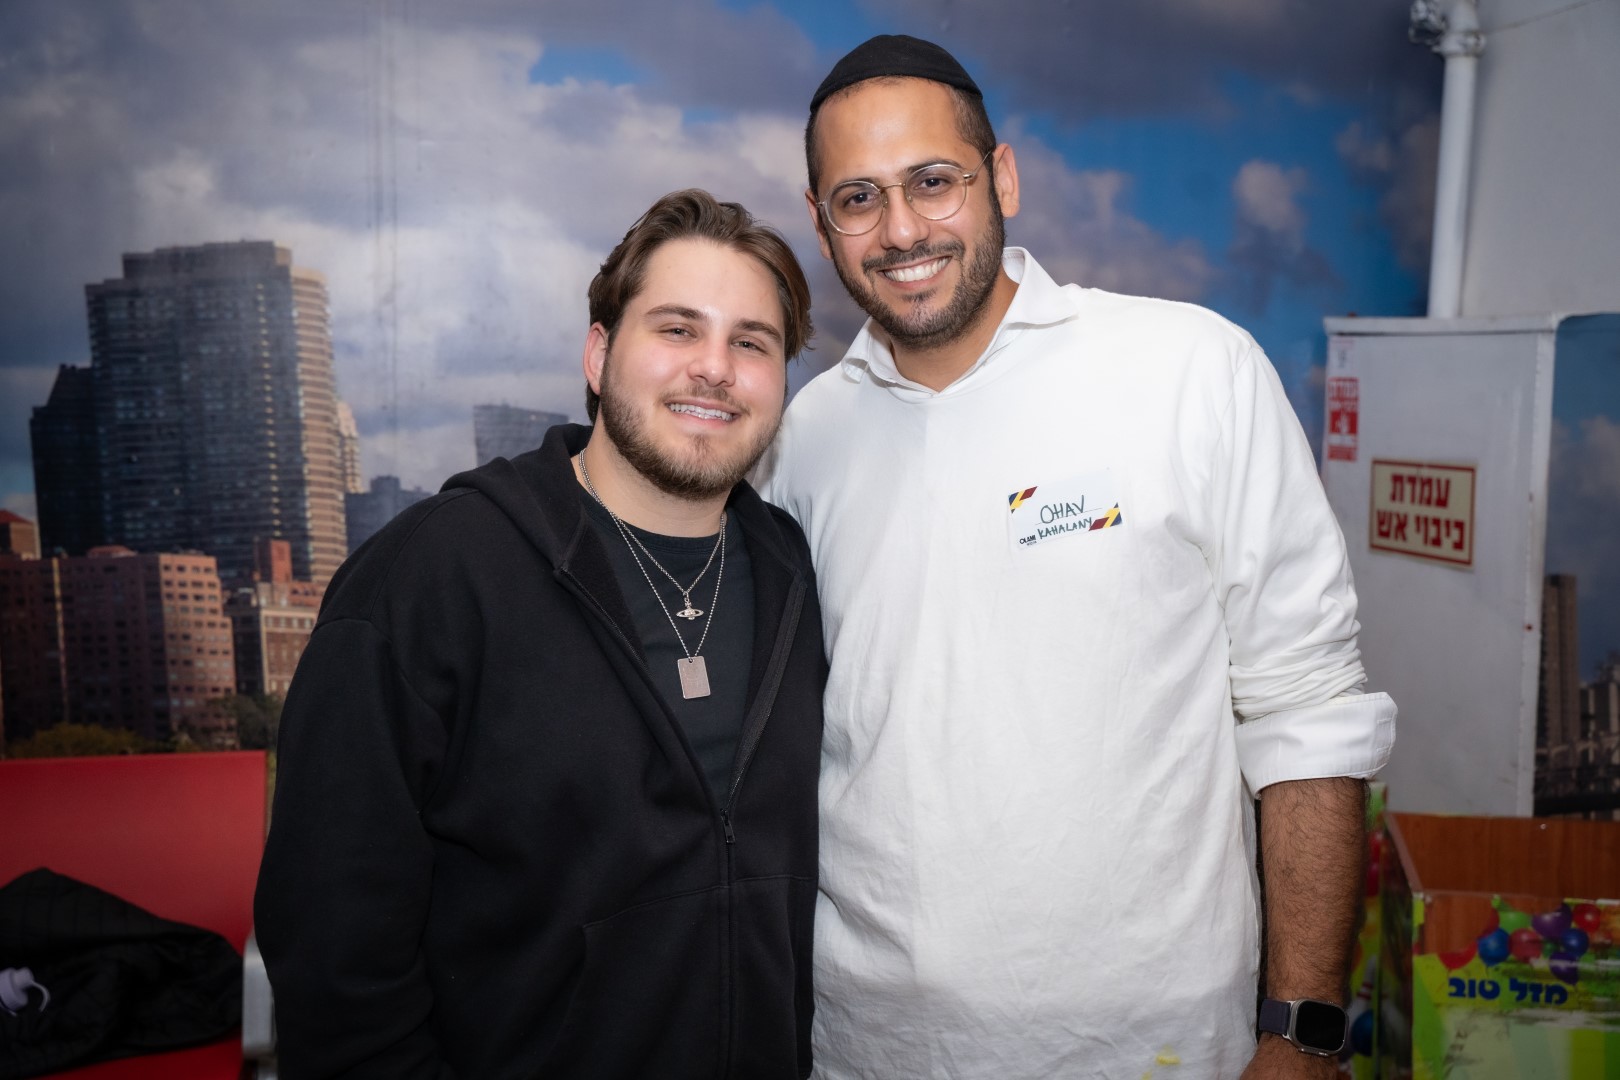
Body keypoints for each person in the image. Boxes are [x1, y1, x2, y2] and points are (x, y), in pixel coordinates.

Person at [753, 35, 1397, 1079]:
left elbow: (1308, 711)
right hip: (866, 1048)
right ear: (821, 223)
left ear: (1002, 177)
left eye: (933, 181)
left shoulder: (1191, 371)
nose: (902, 229)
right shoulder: (798, 443)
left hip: (1153, 1048)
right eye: (858, 198)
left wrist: (1302, 1031)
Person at [255, 189, 825, 1079]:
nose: (714, 368)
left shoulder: (794, 574)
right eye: (677, 329)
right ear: (599, 354)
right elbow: (335, 957)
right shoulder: (432, 578)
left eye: (751, 343)